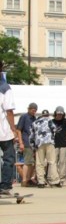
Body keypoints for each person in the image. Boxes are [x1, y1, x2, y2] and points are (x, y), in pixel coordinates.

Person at [29, 109, 61, 188]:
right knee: (52, 162)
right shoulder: (50, 121)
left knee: (40, 163)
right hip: (49, 142)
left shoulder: (34, 123)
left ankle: (41, 182)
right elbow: (55, 130)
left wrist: (33, 146)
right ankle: (55, 181)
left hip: (39, 143)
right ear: (48, 115)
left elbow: (31, 136)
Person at [0, 60, 17, 194]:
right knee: (9, 157)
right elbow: (9, 111)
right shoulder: (5, 87)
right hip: (3, 130)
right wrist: (14, 129)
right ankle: (5, 185)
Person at [17, 102, 38, 187]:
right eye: (33, 110)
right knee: (27, 161)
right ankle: (24, 180)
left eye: (35, 110)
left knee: (32, 163)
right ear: (28, 109)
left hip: (33, 143)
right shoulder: (24, 117)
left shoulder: (34, 118)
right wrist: (21, 142)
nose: (34, 112)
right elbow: (18, 130)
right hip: (26, 142)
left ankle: (29, 179)